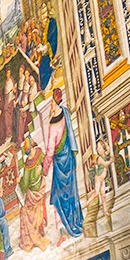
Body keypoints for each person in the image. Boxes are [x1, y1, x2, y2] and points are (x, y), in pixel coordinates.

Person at [44, 87, 85, 236]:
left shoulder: (53, 125)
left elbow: (50, 150)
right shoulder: (65, 113)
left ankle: (64, 229)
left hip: (60, 165)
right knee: (72, 191)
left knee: (57, 196)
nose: (51, 107)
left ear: (54, 104)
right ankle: (76, 220)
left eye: (51, 104)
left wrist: (45, 168)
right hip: (69, 159)